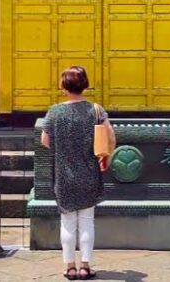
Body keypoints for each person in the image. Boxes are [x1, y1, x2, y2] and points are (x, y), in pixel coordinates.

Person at [40, 65, 115, 280]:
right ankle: (86, 265)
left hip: (64, 174)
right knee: (87, 221)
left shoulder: (54, 112)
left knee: (68, 222)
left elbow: (45, 141)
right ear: (84, 85)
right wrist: (104, 155)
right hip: (89, 172)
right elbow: (110, 136)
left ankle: (69, 267)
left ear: (64, 86)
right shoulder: (96, 110)